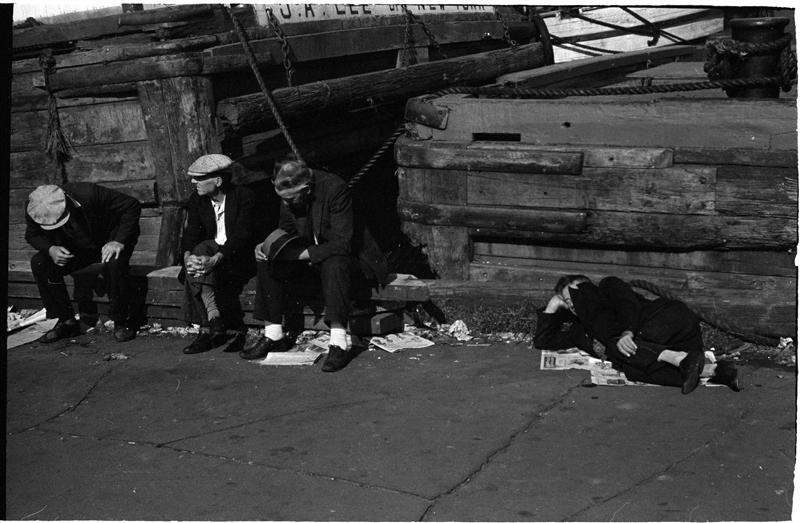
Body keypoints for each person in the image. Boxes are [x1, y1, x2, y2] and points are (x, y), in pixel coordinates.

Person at [240, 159, 388, 372]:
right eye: (282, 199)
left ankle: (338, 342)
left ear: (306, 190)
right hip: (314, 259)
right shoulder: (290, 199)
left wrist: (298, 255)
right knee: (267, 259)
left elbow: (342, 244)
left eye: (290, 199)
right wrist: (269, 245)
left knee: (334, 263)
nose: (286, 204)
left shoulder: (335, 189)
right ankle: (273, 335)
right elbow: (286, 231)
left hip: (352, 261)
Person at [534, 274, 740, 394]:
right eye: (568, 303)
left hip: (669, 322)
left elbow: (628, 304)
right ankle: (714, 371)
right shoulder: (580, 332)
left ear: (587, 288)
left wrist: (627, 332)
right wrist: (553, 304)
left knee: (616, 347)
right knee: (632, 369)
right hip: (656, 350)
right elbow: (543, 340)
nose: (574, 304)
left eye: (576, 295)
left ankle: (681, 359)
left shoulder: (607, 287)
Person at [25, 183, 141, 343]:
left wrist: (119, 240)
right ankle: (66, 321)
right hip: (77, 246)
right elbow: (32, 235)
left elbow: (132, 205)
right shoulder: (34, 208)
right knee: (40, 263)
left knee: (114, 262)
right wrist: (51, 249)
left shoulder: (89, 193)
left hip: (109, 238)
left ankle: (121, 321)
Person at [180, 154, 258, 355]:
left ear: (218, 181)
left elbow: (241, 235)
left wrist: (216, 259)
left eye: (199, 178)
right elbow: (191, 233)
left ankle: (207, 328)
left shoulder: (244, 197)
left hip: (237, 255)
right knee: (197, 255)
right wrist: (188, 257)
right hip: (210, 252)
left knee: (197, 269)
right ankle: (213, 321)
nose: (193, 182)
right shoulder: (197, 199)